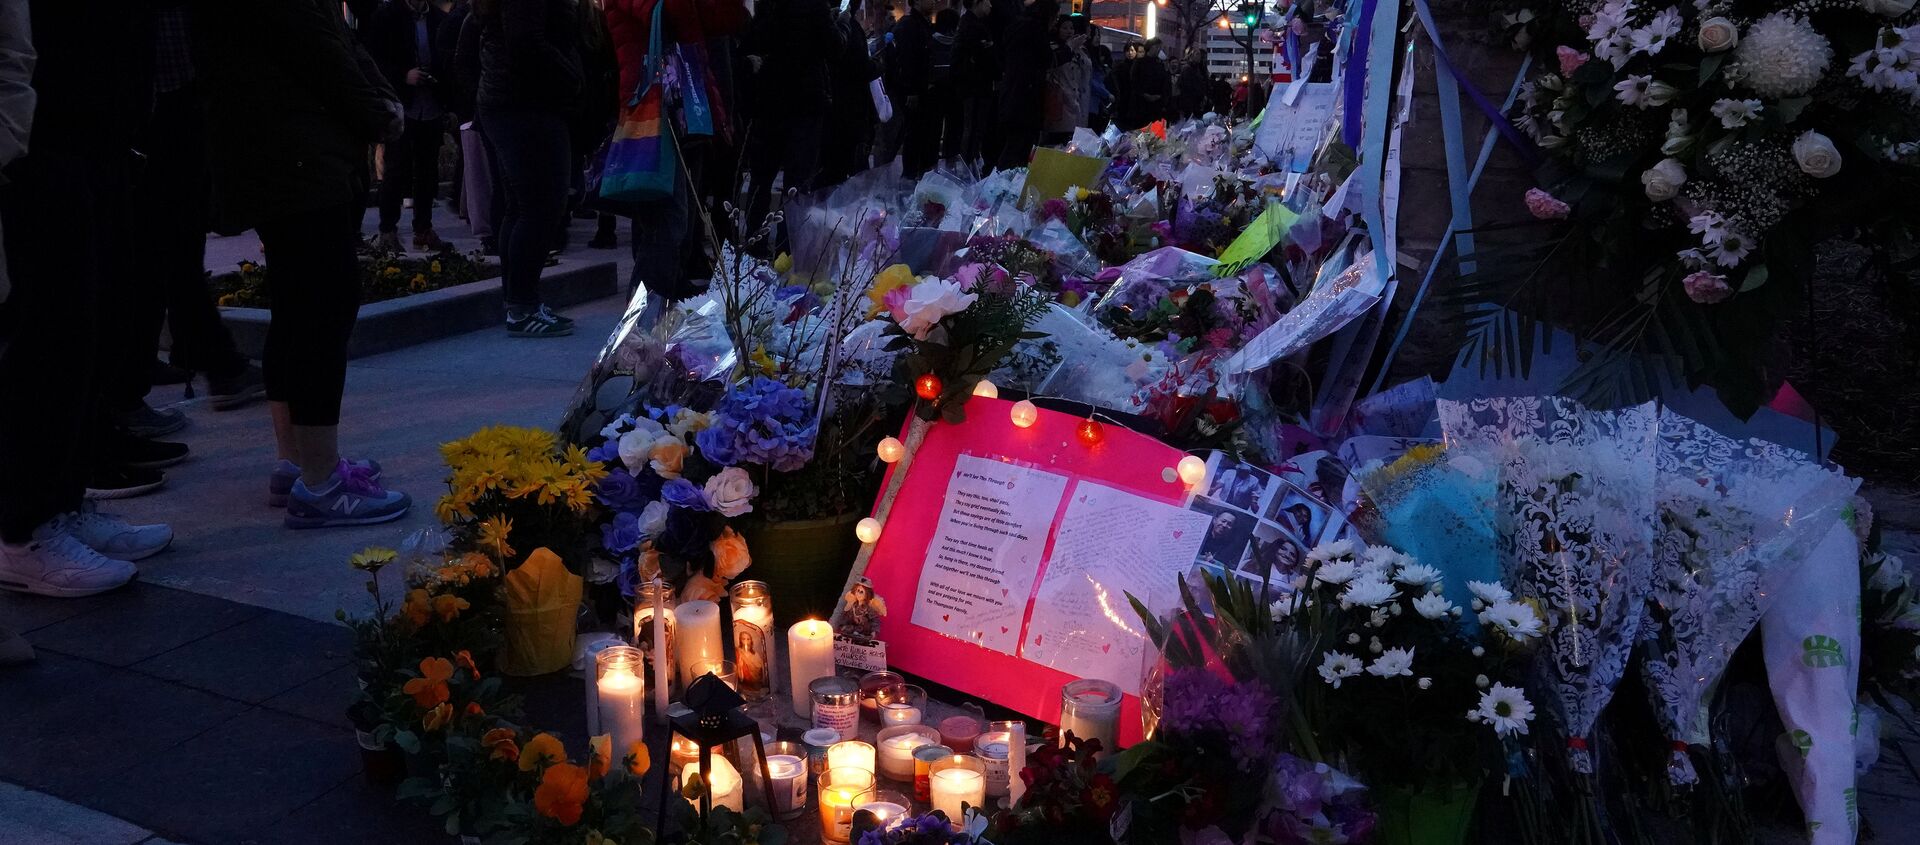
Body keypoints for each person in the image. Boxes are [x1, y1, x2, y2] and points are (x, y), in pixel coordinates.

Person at [197, 0, 414, 528]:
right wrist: (379, 109)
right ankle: (320, 482)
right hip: (298, 154)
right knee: (323, 303)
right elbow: (324, 49)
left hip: (280, 150)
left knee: (297, 305)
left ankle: (297, 461)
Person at [2, 0, 171, 627]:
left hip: (95, 138)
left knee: (88, 333)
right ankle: (23, 528)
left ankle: (62, 502)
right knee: (48, 339)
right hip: (44, 141)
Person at [605, 0, 750, 306]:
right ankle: (641, 322)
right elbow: (673, 11)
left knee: (679, 222)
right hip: (654, 111)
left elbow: (727, 18)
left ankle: (660, 310)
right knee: (667, 222)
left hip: (685, 107)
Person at [476, 0, 585, 338]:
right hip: (526, 104)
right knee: (540, 208)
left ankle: (519, 302)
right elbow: (525, 41)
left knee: (522, 208)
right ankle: (521, 305)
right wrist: (572, 78)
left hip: (514, 101)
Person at [743, 0, 840, 237]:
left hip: (770, 100)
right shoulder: (815, 8)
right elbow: (835, 47)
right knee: (797, 181)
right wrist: (841, 25)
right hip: (804, 102)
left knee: (762, 178)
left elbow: (755, 39)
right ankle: (788, 247)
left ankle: (753, 241)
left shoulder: (770, 7)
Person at [369, 0, 453, 253]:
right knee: (396, 169)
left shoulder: (437, 19)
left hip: (430, 104)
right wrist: (403, 76)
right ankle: (388, 230)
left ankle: (423, 228)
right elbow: (375, 61)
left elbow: (447, 60)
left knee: (428, 171)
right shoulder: (387, 16)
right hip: (402, 105)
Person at [817, 0, 881, 188]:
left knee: (833, 165)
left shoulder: (832, 26)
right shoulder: (845, 28)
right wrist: (876, 66)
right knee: (841, 166)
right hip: (848, 108)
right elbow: (859, 66)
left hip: (835, 105)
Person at [994, 0, 1056, 169]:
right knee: (1018, 148)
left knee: (1013, 146)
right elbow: (1046, 58)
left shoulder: (1016, 28)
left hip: (1012, 96)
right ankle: (1006, 185)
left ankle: (1004, 182)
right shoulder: (1035, 32)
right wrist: (1067, 49)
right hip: (1026, 100)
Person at [890, 0, 938, 179]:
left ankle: (917, 171)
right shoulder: (909, 26)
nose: (933, 2)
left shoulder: (921, 24)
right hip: (914, 91)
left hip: (921, 90)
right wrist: (911, 90)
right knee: (914, 134)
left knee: (920, 133)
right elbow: (907, 60)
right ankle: (910, 174)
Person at [950, 0, 995, 168]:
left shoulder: (967, 24)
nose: (990, 5)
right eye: (987, 1)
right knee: (973, 128)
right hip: (975, 87)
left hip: (971, 86)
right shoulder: (974, 27)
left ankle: (968, 164)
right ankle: (967, 166)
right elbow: (985, 59)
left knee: (971, 128)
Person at [1039, 14, 1088, 147]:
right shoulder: (1053, 50)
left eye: (1071, 28)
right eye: (1064, 28)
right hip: (1059, 103)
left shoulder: (1078, 50)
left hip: (1076, 102)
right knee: (1056, 142)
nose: (1069, 31)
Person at [1118, 37, 1170, 130]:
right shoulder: (1139, 63)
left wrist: (1161, 97)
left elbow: (1165, 83)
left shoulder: (1160, 65)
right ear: (1151, 47)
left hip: (1156, 106)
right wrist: (1145, 95)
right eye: (1157, 47)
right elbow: (1134, 82)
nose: (1159, 50)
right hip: (1140, 106)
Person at [1177, 46, 1209, 119]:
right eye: (1197, 54)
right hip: (1189, 103)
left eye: (1200, 55)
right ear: (1191, 56)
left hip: (1197, 102)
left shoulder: (1197, 68)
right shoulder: (1187, 69)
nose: (1199, 57)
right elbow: (1187, 86)